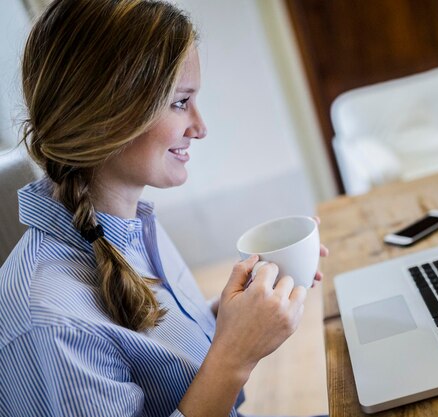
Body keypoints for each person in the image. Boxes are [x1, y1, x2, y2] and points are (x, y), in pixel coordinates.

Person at [0, 0, 328, 416]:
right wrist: (234, 357)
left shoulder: (129, 226)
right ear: (109, 113)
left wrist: (244, 304)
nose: (200, 127)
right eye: (180, 102)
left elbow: (162, 354)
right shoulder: (51, 318)